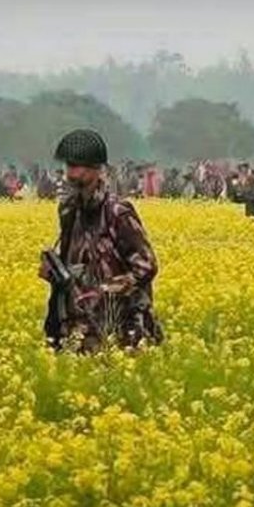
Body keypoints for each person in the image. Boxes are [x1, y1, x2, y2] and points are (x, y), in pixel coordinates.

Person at [39, 129, 162, 353]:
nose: (70, 173)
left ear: (96, 169)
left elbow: (146, 265)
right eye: (68, 166)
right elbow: (70, 259)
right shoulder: (69, 210)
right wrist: (56, 272)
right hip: (79, 329)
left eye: (76, 166)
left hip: (121, 329)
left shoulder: (117, 212)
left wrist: (104, 290)